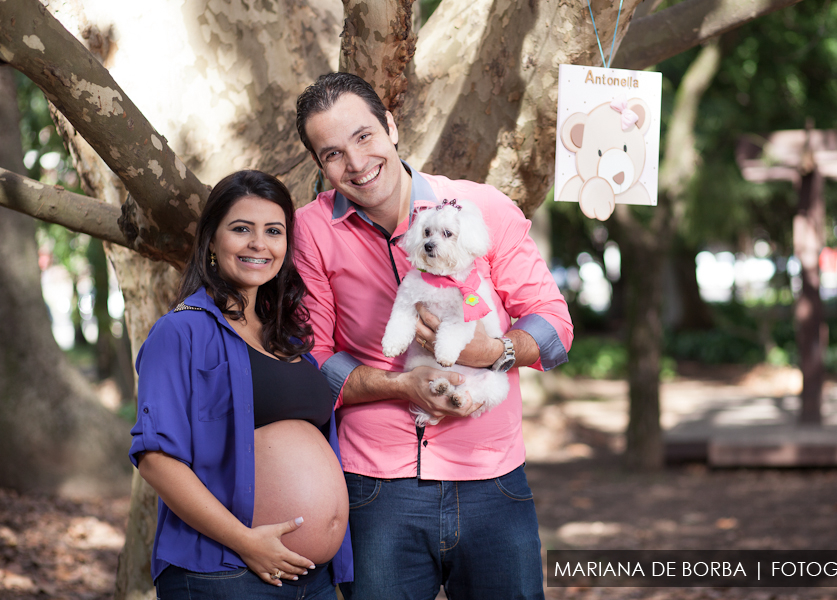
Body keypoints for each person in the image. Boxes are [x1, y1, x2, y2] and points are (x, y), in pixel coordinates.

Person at [292, 73, 573, 599]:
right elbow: (313, 363)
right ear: (319, 164)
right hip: (376, 489)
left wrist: (493, 352)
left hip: (492, 478)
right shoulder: (309, 230)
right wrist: (402, 387)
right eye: (332, 154)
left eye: (363, 136)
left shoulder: (479, 208)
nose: (355, 163)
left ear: (391, 127)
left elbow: (553, 326)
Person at [129, 170, 353, 599]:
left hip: (314, 579)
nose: (258, 244)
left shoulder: (288, 338)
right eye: (241, 229)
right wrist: (245, 540)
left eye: (273, 231)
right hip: (228, 572)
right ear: (212, 240)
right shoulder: (180, 332)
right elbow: (155, 458)